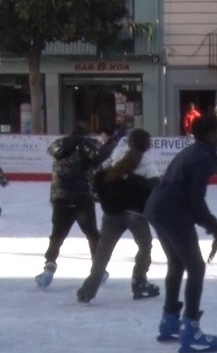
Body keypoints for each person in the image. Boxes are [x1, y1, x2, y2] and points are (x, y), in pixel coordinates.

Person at [144, 113, 217, 353]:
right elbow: (195, 201)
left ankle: (169, 321)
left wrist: (210, 224)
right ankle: (190, 328)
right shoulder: (202, 158)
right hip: (172, 212)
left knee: (177, 263)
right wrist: (214, 226)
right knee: (196, 267)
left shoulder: (194, 152)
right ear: (211, 135)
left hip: (157, 208)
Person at [75, 129, 161, 303]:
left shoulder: (115, 157)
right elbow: (156, 189)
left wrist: (106, 199)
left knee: (103, 251)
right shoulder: (147, 164)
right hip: (135, 214)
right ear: (147, 146)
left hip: (111, 213)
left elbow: (97, 178)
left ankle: (88, 291)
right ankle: (139, 282)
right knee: (145, 246)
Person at [34, 121, 117, 288]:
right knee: (92, 234)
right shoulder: (86, 145)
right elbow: (99, 157)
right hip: (81, 198)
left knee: (57, 235)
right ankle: (99, 269)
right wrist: (112, 142)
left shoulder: (59, 145)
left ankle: (49, 266)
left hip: (60, 197)